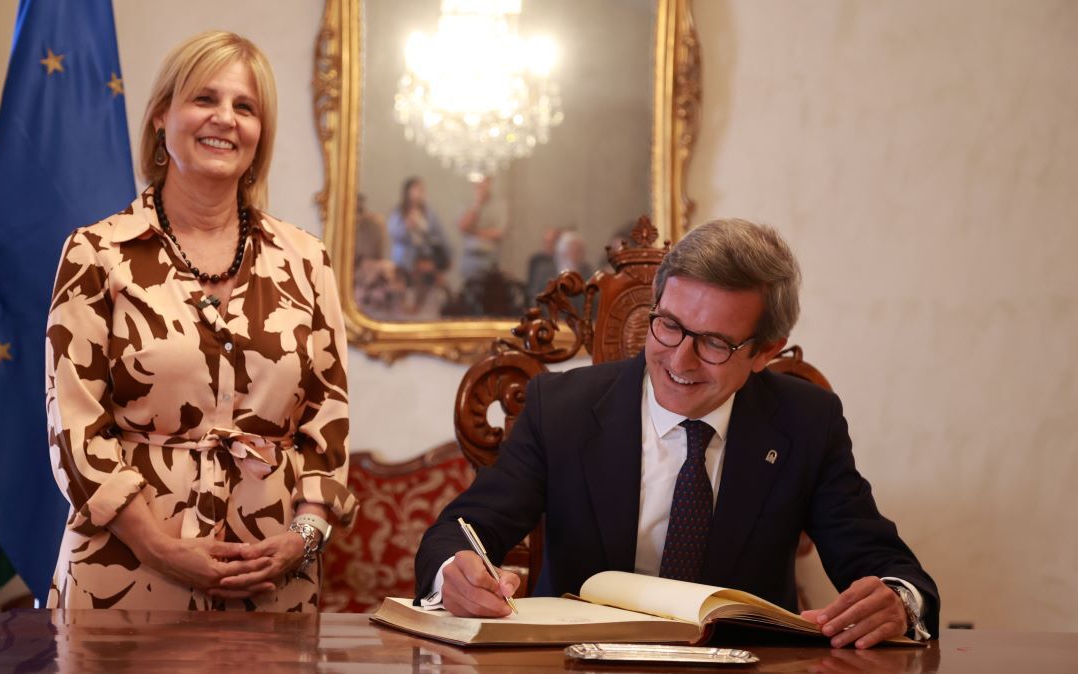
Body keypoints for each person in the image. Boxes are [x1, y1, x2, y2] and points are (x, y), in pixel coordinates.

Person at [415, 218, 939, 648]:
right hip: (578, 664)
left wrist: (896, 601)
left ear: (766, 352)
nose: (679, 360)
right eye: (668, 325)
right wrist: (453, 575)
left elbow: (890, 568)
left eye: (713, 343)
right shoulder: (563, 409)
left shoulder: (806, 422)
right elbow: (464, 528)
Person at [45, 31, 357, 612]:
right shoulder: (97, 252)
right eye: (204, 99)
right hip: (127, 574)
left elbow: (328, 422)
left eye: (245, 107)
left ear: (260, 135)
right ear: (162, 117)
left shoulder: (306, 259)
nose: (225, 119)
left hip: (271, 578)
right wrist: (160, 548)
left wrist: (304, 538)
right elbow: (74, 428)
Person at [387, 177, 450, 276]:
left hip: (425, 258)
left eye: (422, 190)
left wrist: (448, 254)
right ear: (408, 191)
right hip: (404, 258)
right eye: (417, 189)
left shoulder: (429, 212)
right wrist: (406, 226)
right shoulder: (399, 211)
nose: (421, 193)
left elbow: (439, 234)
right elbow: (393, 233)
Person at [456, 176, 505, 283]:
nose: (482, 185)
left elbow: (498, 233)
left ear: (489, 182)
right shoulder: (467, 202)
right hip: (470, 258)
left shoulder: (499, 205)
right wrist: (477, 204)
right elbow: (463, 226)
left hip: (489, 258)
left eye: (484, 181)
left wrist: (473, 231)